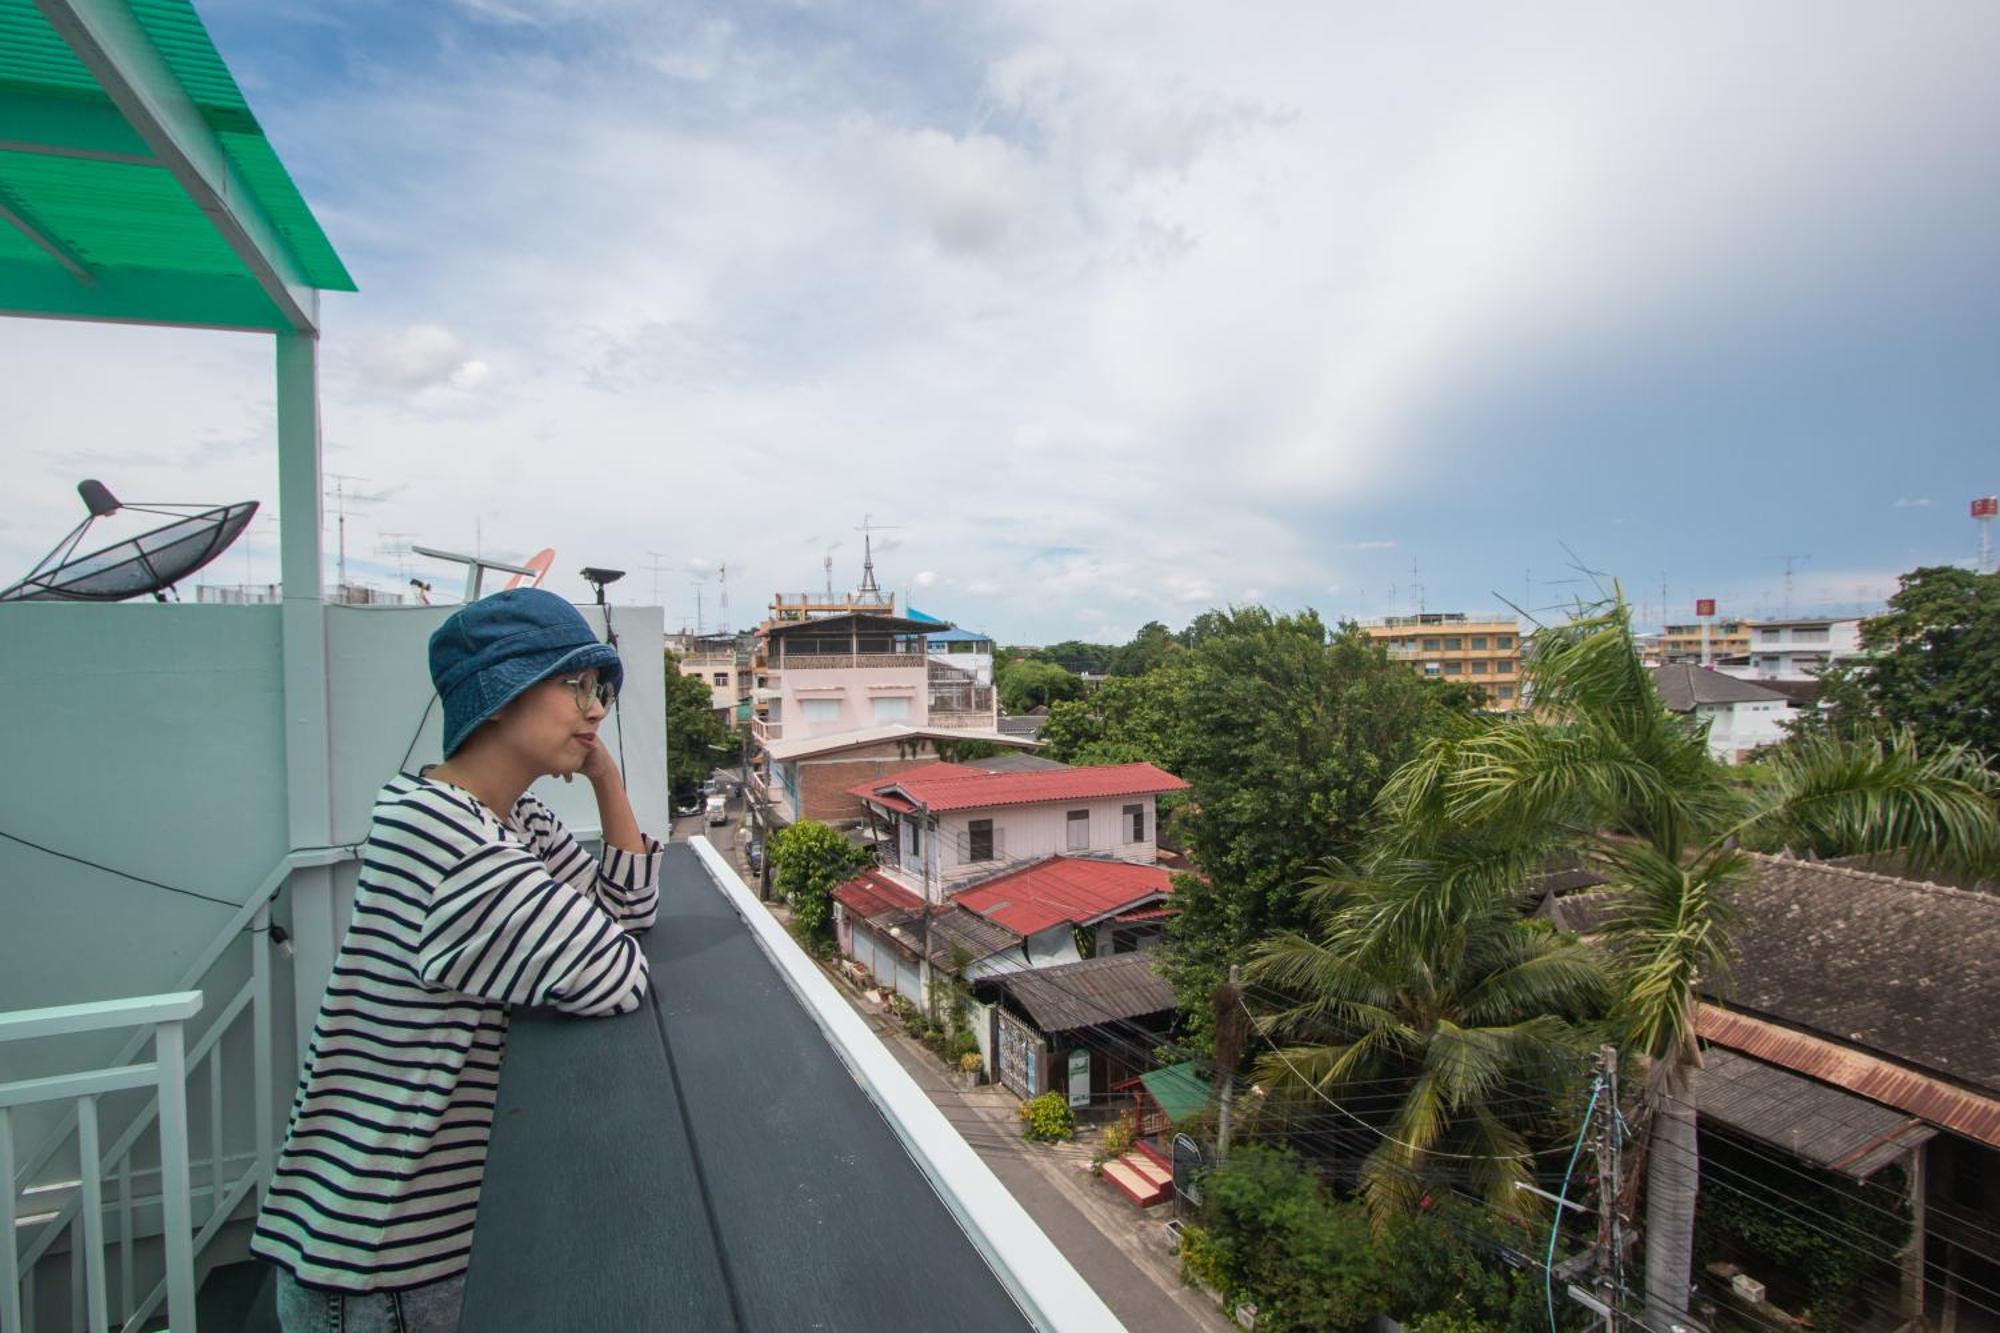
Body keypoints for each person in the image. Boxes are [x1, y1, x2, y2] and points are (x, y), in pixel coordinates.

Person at [252, 588, 663, 1332]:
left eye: (601, 689)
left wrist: (605, 776)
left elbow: (627, 912)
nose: (597, 708)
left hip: (383, 1245)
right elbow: (615, 971)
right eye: (576, 684)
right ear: (500, 694)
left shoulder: (501, 816)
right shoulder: (450, 841)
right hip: (378, 1260)